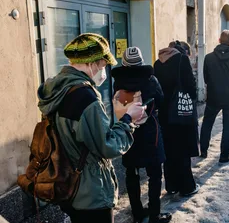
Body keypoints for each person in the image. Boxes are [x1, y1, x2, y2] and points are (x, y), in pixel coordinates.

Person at [37, 33, 146, 223]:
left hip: (67, 183)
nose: (103, 71)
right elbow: (107, 146)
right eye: (103, 65)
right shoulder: (86, 98)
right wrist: (129, 120)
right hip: (90, 193)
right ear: (91, 63)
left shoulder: (57, 89)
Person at [111, 47, 171, 223]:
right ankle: (154, 214)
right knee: (154, 175)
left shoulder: (118, 82)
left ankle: (137, 213)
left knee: (131, 173)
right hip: (150, 131)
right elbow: (160, 100)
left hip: (127, 130)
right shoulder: (150, 80)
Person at [154, 41, 200, 197]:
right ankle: (187, 186)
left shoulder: (157, 62)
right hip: (181, 112)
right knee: (183, 149)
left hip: (165, 113)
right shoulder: (182, 60)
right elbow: (190, 88)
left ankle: (171, 185)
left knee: (169, 149)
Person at [200, 30, 229, 162]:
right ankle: (224, 154)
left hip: (214, 96)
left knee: (207, 123)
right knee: (228, 126)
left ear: (219, 40)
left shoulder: (208, 58)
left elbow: (206, 78)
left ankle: (203, 150)